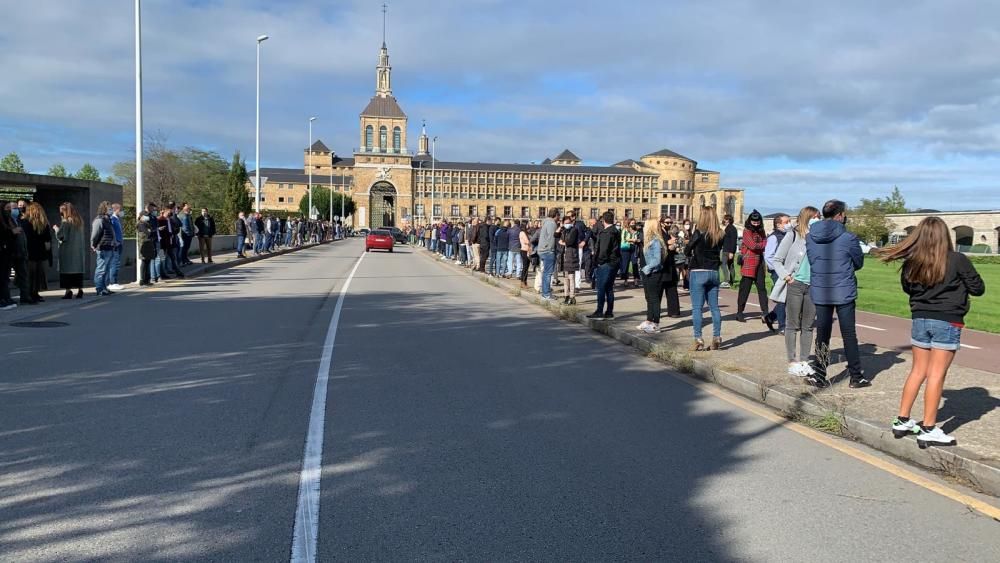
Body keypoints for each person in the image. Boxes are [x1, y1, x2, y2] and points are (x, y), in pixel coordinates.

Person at [875, 217, 985, 447]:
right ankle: (929, 427)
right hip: (948, 320)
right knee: (936, 374)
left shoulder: (913, 261)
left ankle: (902, 419)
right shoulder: (957, 259)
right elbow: (978, 288)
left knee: (918, 371)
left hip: (920, 318)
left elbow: (908, 288)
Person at [807, 199, 868, 389]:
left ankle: (819, 375)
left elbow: (812, 261)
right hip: (843, 289)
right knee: (849, 334)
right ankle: (856, 377)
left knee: (822, 334)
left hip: (821, 289)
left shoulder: (810, 237)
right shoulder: (849, 238)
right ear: (840, 215)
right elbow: (858, 263)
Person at [770, 207, 820, 377]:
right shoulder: (792, 235)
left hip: (813, 286)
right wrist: (787, 277)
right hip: (796, 284)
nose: (818, 220)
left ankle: (804, 361)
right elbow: (777, 260)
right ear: (807, 218)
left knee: (808, 325)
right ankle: (792, 361)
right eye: (815, 217)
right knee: (792, 324)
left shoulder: (818, 237)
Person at [685, 207, 725, 351]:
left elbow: (687, 250)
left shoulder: (698, 233)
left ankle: (698, 338)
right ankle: (717, 336)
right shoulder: (720, 234)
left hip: (698, 270)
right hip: (713, 271)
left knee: (697, 308)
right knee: (714, 307)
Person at [637, 215, 680, 333]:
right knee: (649, 297)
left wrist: (647, 268)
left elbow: (656, 260)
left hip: (654, 273)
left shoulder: (655, 241)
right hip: (649, 272)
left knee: (654, 298)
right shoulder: (650, 239)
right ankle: (649, 320)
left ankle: (655, 323)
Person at [736, 209, 775, 332]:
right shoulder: (747, 231)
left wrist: (761, 245)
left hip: (759, 262)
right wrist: (762, 245)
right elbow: (752, 245)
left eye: (758, 222)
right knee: (745, 289)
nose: (756, 224)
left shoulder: (761, 230)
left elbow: (764, 242)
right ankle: (740, 312)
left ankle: (765, 313)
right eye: (754, 221)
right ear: (750, 221)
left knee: (762, 289)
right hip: (749, 262)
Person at [587, 211, 620, 319]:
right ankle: (609, 311)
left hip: (606, 263)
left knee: (601, 288)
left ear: (603, 220)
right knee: (609, 288)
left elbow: (604, 250)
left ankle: (600, 310)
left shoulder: (607, 232)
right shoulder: (615, 230)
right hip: (613, 262)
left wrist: (599, 261)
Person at [764, 213, 790, 333]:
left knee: (787, 298)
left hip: (788, 271)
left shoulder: (789, 235)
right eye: (786, 222)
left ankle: (771, 317)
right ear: (778, 224)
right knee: (782, 298)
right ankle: (782, 326)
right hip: (778, 272)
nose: (789, 224)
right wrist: (777, 269)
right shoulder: (773, 237)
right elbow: (769, 256)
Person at [21, 202, 52, 303]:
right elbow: (48, 239)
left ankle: (28, 294)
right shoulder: (44, 223)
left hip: (29, 252)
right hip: (40, 252)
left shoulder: (25, 222)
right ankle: (35, 293)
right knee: (38, 275)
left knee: (29, 275)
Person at [90, 201, 116, 296]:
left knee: (106, 269)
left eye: (111, 209)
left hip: (109, 247)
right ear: (104, 209)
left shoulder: (108, 220)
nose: (111, 211)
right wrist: (93, 244)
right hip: (102, 247)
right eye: (109, 209)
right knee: (101, 269)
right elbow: (95, 234)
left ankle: (104, 288)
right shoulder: (99, 220)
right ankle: (99, 288)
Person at [0, 202, 21, 310]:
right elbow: (4, 235)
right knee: (2, 277)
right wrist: (12, 232)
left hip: (8, 252)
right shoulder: (2, 222)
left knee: (5, 277)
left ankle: (6, 298)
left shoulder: (9, 220)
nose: (9, 210)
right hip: (2, 252)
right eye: (7, 208)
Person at [558, 214, 580, 304]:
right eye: (565, 223)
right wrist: (560, 227)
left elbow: (570, 241)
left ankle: (572, 297)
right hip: (564, 256)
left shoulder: (574, 230)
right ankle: (566, 296)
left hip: (571, 255)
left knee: (571, 277)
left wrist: (563, 243)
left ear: (571, 222)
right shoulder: (564, 231)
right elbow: (555, 235)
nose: (567, 224)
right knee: (565, 278)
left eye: (568, 222)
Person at [537, 208, 559, 300]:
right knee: (548, 273)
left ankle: (545, 293)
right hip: (548, 250)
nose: (559, 218)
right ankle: (546, 294)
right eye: (558, 215)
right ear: (556, 215)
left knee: (545, 272)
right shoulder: (551, 223)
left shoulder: (545, 222)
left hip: (542, 250)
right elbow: (551, 237)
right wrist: (551, 249)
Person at [137, 204, 158, 286]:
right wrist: (151, 230)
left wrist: (152, 230)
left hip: (149, 242)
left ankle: (146, 279)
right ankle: (143, 279)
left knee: (148, 261)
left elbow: (152, 228)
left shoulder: (148, 221)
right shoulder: (141, 223)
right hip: (144, 242)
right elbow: (148, 232)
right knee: (144, 260)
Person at [107, 203, 125, 291]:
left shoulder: (116, 219)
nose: (122, 212)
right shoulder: (112, 219)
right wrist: (116, 241)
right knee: (114, 263)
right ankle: (112, 282)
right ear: (116, 210)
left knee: (116, 264)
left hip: (119, 243)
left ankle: (115, 282)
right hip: (115, 244)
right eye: (120, 210)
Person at [619, 219, 639, 288]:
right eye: (632, 223)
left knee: (635, 264)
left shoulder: (637, 231)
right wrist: (632, 240)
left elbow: (638, 238)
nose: (633, 224)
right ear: (629, 223)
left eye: (634, 223)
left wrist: (637, 240)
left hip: (634, 248)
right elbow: (623, 239)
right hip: (625, 248)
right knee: (625, 264)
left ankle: (636, 280)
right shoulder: (625, 230)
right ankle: (625, 280)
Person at [720, 214, 738, 288]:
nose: (724, 220)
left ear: (728, 220)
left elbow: (733, 241)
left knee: (724, 264)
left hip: (728, 250)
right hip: (726, 249)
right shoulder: (728, 228)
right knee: (730, 265)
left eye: (725, 219)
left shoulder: (732, 228)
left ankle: (727, 280)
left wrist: (731, 252)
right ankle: (731, 281)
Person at [518, 220, 532, 288]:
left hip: (527, 250)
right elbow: (527, 241)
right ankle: (522, 281)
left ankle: (525, 281)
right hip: (524, 250)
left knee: (526, 267)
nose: (529, 225)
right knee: (525, 267)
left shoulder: (527, 232)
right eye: (528, 224)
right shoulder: (522, 233)